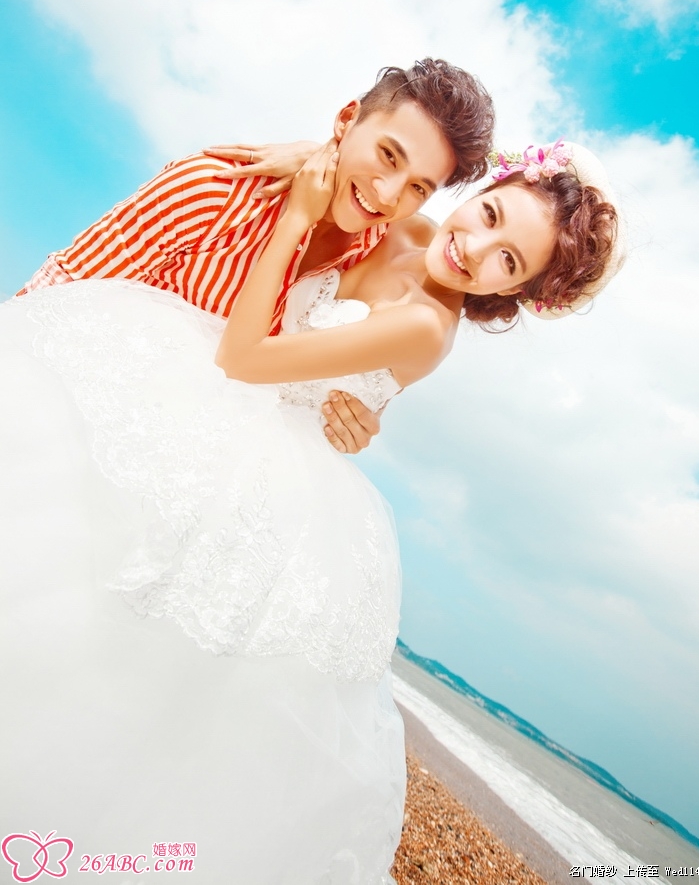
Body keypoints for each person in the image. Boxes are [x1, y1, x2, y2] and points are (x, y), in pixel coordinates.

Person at [0, 139, 622, 884]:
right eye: (488, 216)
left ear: (516, 291)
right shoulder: (411, 222)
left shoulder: (426, 327)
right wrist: (304, 155)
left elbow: (244, 360)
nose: (474, 248)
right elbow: (357, 172)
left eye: (507, 261)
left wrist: (296, 219)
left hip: (250, 424)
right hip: (204, 385)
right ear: (481, 191)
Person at [17, 59, 495, 455]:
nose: (388, 195)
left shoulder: (384, 243)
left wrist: (358, 417)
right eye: (388, 155)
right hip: (79, 421)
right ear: (346, 119)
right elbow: (65, 284)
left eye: (418, 187)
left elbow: (381, 348)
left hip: (194, 467)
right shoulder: (214, 190)